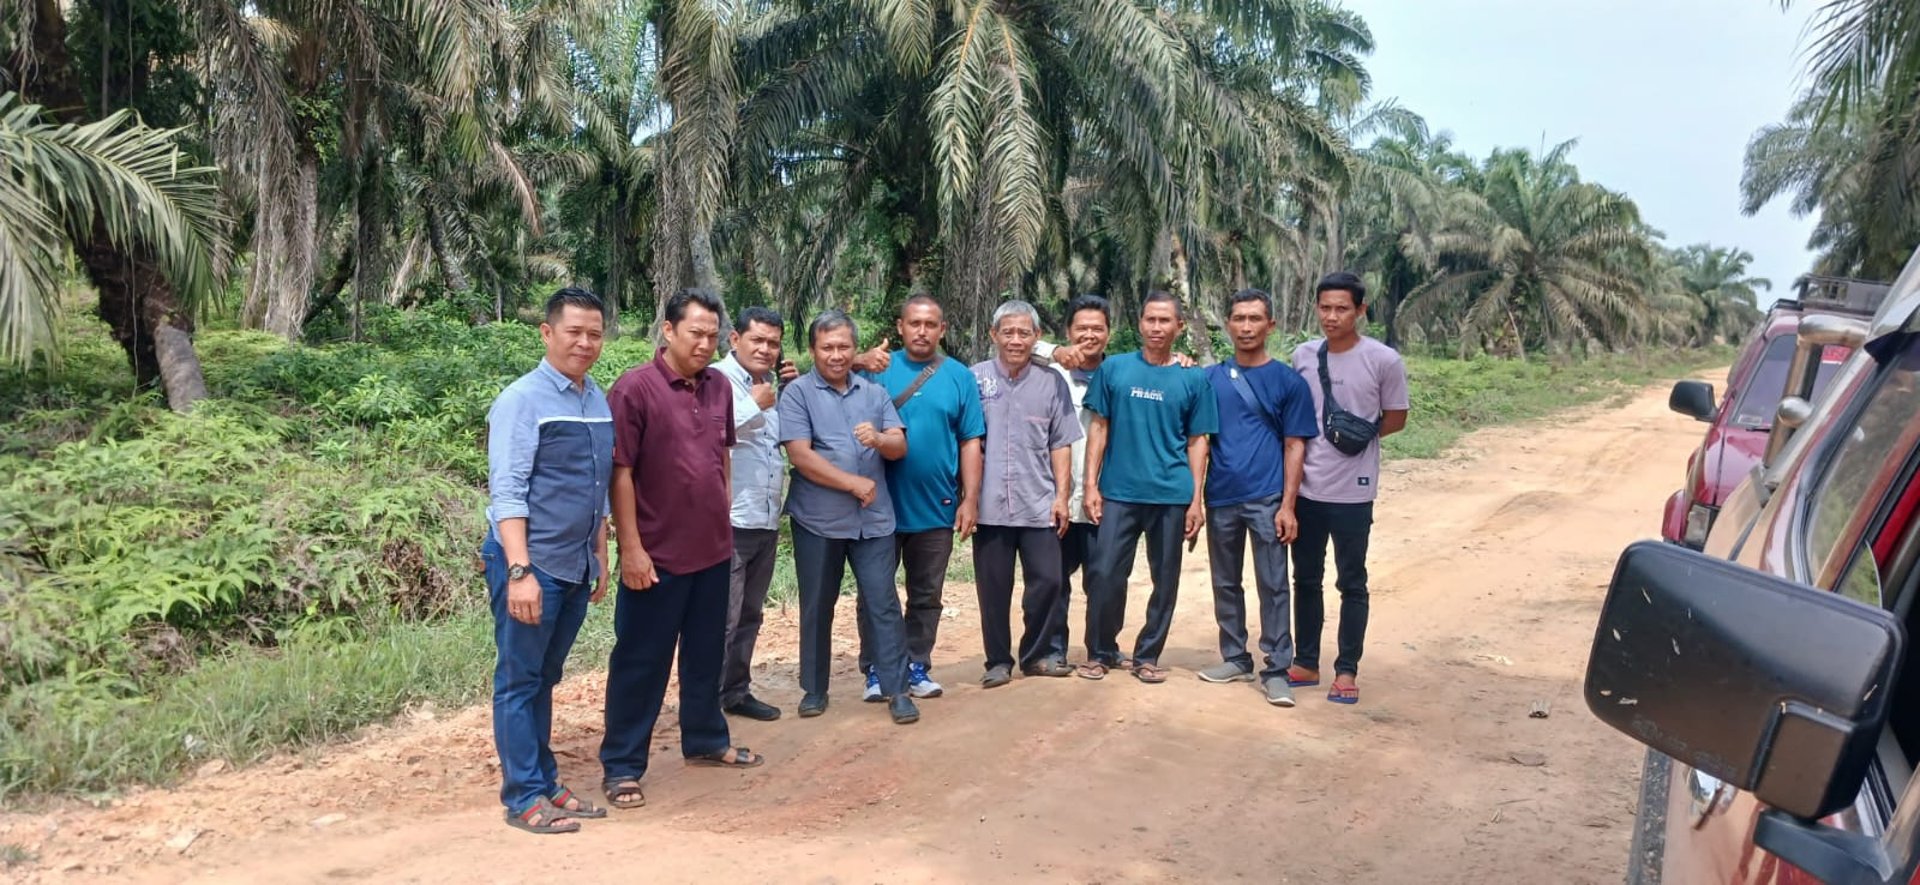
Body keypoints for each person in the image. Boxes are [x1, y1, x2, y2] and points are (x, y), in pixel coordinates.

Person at [600, 288, 765, 813]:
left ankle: (705, 738)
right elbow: (620, 473)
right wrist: (631, 549)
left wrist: (724, 518)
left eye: (712, 336)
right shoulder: (634, 389)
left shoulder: (719, 387)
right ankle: (623, 764)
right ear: (668, 330)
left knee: (705, 654)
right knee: (641, 662)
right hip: (656, 556)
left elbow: (722, 457)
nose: (704, 344)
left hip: (713, 550)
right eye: (695, 333)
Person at [482, 286, 615, 835]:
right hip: (531, 566)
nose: (585, 343)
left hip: (575, 565)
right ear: (547, 333)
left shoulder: (596, 398)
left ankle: (544, 781)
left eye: (594, 334)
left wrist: (601, 552)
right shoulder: (522, 400)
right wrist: (520, 572)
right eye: (573, 332)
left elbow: (598, 487)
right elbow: (507, 492)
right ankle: (523, 796)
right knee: (519, 680)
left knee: (544, 677)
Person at [779, 310, 922, 725]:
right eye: (827, 347)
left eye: (844, 346)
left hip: (873, 521)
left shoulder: (873, 393)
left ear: (855, 349)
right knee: (817, 604)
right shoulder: (798, 394)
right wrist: (852, 483)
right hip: (817, 520)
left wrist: (878, 439)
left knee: (883, 603)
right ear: (812, 350)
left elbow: (898, 445)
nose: (836, 355)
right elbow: (800, 456)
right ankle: (814, 689)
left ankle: (897, 690)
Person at [1078, 291, 1219, 684]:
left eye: (1165, 320)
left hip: (1171, 495)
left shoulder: (1193, 377)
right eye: (1150, 319)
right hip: (1118, 492)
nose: (1156, 327)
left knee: (1165, 578)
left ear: (1179, 326)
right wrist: (1090, 485)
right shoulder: (1114, 369)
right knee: (1105, 573)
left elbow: (1198, 441)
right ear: (1139, 323)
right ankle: (1100, 651)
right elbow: (1099, 428)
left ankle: (1147, 655)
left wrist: (1195, 500)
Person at [855, 295, 985, 702]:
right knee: (874, 593)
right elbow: (829, 374)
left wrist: (970, 499)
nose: (922, 331)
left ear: (942, 329)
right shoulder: (877, 368)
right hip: (878, 505)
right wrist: (858, 359)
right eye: (914, 323)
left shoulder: (959, 376)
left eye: (931, 324)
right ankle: (876, 669)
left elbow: (970, 440)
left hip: (936, 505)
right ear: (900, 327)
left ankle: (916, 664)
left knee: (926, 595)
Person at [1288, 272, 1410, 705]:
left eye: (1342, 309)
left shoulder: (1383, 360)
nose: (1332, 316)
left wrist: (1357, 439)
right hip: (1306, 489)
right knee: (1305, 578)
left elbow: (1396, 417)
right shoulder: (1303, 355)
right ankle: (1305, 661)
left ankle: (1346, 670)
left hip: (1354, 492)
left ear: (1360, 310)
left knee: (1352, 581)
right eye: (1325, 308)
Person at [1198, 289, 1319, 707]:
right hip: (1220, 496)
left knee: (1273, 584)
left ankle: (1277, 669)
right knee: (1225, 581)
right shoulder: (1210, 379)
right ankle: (1235, 657)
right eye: (1238, 318)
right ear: (1228, 324)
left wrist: (1288, 505)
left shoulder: (1289, 382)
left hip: (1267, 498)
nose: (1246, 327)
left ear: (1271, 325)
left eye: (1254, 319)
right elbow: (1199, 440)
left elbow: (1295, 445)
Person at [969, 300, 1083, 686]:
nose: (1015, 340)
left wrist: (1061, 497)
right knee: (993, 590)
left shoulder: (1052, 382)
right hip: (989, 506)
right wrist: (967, 498)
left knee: (1049, 581)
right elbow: (966, 442)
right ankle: (997, 661)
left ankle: (1035, 655)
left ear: (1037, 337)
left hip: (1039, 504)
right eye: (1008, 332)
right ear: (993, 335)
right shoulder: (975, 379)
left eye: (1023, 332)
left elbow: (1061, 443)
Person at [714, 306, 798, 721]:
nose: (766, 349)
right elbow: (705, 435)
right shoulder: (716, 380)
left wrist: (787, 393)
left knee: (750, 614)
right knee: (722, 619)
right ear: (735, 340)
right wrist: (752, 404)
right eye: (757, 340)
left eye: (773, 343)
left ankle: (735, 691)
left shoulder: (770, 385)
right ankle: (705, 702)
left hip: (765, 520)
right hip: (729, 521)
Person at [1029, 295, 1112, 670]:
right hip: (1055, 496)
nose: (1089, 335)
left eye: (1097, 328)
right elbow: (1015, 341)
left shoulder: (1118, 374)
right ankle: (1053, 649)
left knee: (1103, 579)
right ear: (1068, 331)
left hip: (1101, 498)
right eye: (1082, 328)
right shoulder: (1049, 372)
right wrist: (1055, 351)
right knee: (1053, 579)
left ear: (1109, 333)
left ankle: (1101, 650)